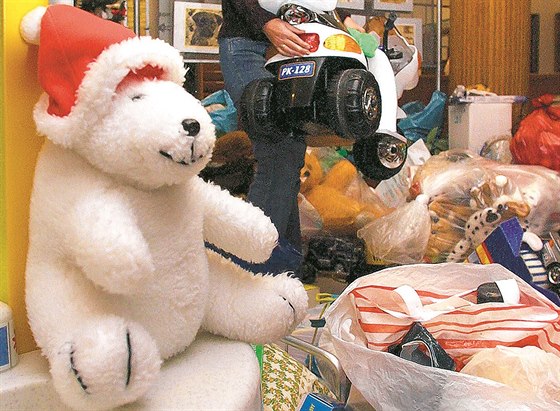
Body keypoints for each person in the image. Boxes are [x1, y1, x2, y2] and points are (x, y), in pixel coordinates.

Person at [218, 1, 364, 277]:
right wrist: (265, 22)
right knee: (278, 147)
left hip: (296, 43)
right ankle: (251, 271)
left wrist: (343, 17)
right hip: (248, 45)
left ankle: (284, 271)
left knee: (290, 150)